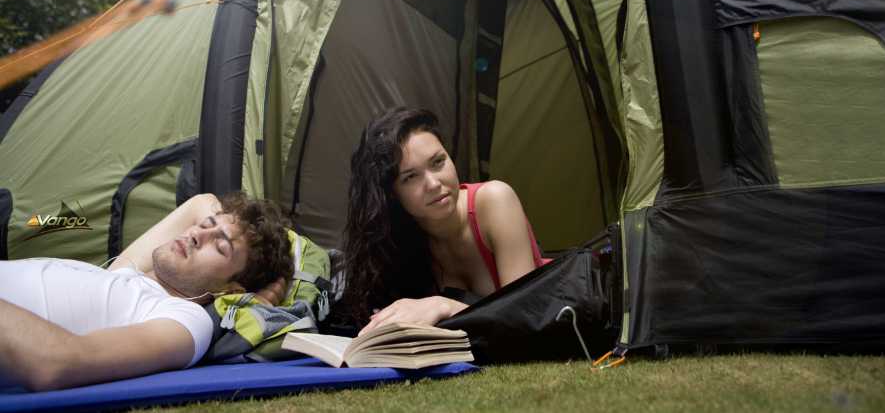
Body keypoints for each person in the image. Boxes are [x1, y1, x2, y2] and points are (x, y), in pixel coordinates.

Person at [0, 192, 292, 391]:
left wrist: (255, 294)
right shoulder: (122, 274)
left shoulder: (185, 319)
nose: (195, 235)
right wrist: (239, 224)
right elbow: (202, 202)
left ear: (231, 287)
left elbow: (56, 363)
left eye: (220, 246)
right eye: (205, 225)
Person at [342, 107, 547, 335]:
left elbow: (525, 313)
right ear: (392, 194)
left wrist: (444, 305)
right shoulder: (399, 243)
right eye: (410, 177)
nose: (433, 183)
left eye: (438, 162)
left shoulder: (494, 200)